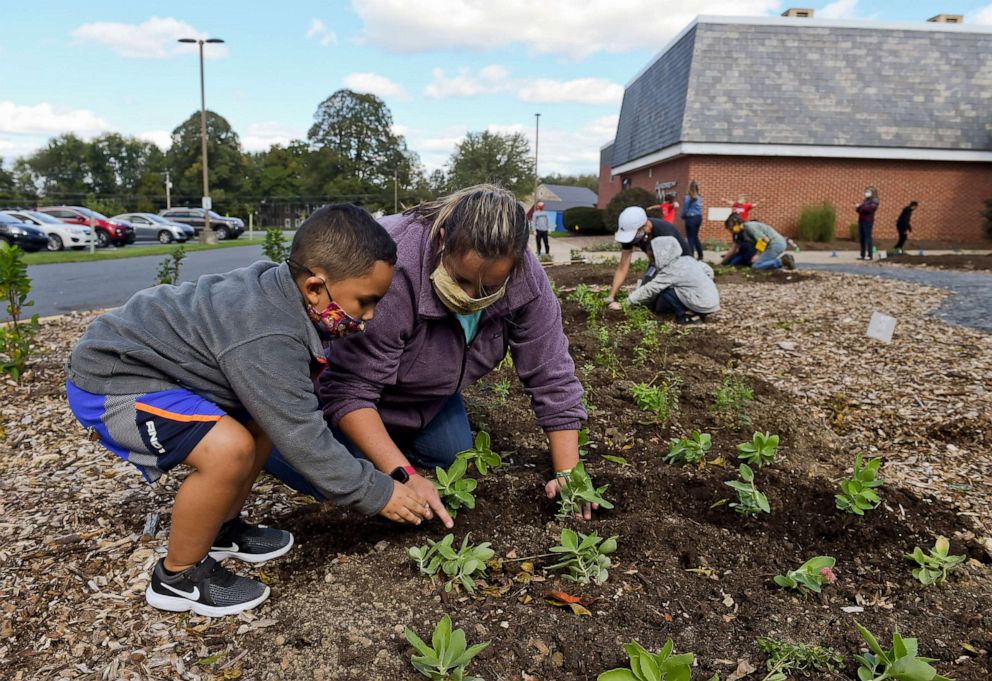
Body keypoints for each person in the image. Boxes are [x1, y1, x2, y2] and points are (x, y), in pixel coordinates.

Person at [65, 204, 429, 617]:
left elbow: (284, 416)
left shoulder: (283, 296)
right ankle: (178, 576)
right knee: (229, 449)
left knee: (259, 425)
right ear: (314, 288)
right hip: (113, 381)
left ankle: (221, 529)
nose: (369, 317)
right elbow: (304, 436)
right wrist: (377, 491)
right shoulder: (270, 331)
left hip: (158, 370)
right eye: (365, 302)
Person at [264, 184, 594, 526]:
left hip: (427, 396)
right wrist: (404, 475)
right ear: (442, 238)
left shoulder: (526, 280)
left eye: (488, 288)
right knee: (344, 482)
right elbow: (350, 389)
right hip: (356, 389)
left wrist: (569, 473)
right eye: (463, 280)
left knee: (450, 456)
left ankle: (383, 442)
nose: (471, 297)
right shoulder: (391, 269)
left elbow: (551, 372)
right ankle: (268, 441)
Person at [606, 205, 691, 311]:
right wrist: (611, 295)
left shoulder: (665, 233)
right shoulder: (631, 234)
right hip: (656, 261)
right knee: (645, 299)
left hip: (679, 264)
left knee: (661, 304)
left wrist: (627, 303)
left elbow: (667, 270)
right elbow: (623, 267)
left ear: (644, 225)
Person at [627, 236, 720, 325]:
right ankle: (696, 312)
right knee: (674, 289)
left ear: (660, 255)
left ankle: (687, 315)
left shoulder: (670, 270)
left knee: (665, 292)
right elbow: (708, 270)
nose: (653, 261)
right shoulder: (688, 259)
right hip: (712, 301)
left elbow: (650, 289)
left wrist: (627, 302)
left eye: (653, 258)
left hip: (701, 304)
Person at [724, 213, 795, 270]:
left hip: (775, 244)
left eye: (731, 228)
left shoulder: (750, 227)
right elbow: (733, 249)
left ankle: (782, 261)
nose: (731, 231)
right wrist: (722, 263)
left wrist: (757, 255)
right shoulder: (741, 232)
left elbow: (765, 240)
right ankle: (775, 262)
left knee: (756, 266)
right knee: (759, 263)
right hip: (773, 245)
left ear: (737, 223)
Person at [681, 180, 704, 260]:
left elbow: (685, 209)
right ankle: (700, 254)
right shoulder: (699, 197)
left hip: (690, 218)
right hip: (698, 217)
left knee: (690, 237)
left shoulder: (688, 198)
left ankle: (691, 255)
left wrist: (683, 216)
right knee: (695, 236)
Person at [856, 186, 880, 260]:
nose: (866, 193)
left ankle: (870, 255)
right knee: (862, 238)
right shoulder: (866, 200)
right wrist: (860, 208)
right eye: (866, 191)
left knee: (868, 237)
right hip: (861, 220)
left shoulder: (875, 201)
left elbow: (870, 209)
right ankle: (862, 254)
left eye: (868, 192)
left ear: (873, 193)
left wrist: (861, 207)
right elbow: (858, 209)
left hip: (868, 221)